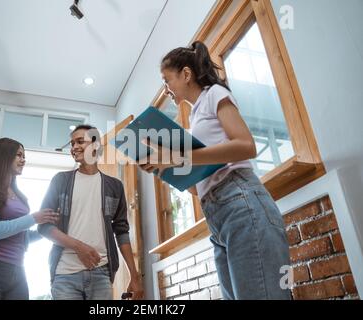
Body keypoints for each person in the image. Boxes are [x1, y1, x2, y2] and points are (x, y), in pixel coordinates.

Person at [139, 41, 291, 300]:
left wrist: (178, 157)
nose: (166, 90)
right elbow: (201, 189)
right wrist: (164, 170)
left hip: (240, 201)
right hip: (217, 216)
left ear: (186, 74)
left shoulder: (214, 94)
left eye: (167, 81)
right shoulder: (195, 118)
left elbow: (246, 146)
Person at [38, 125, 144, 300]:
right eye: (72, 143)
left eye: (80, 141)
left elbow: (122, 231)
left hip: (101, 274)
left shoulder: (115, 186)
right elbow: (43, 226)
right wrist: (79, 246)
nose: (74, 147)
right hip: (65, 275)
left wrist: (134, 276)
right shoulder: (60, 181)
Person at [0, 138, 59, 300]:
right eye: (19, 155)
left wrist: (47, 225)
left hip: (17, 268)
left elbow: (23, 236)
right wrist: (34, 218)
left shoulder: (20, 196)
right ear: (4, 157)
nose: (23, 160)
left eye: (24, 156)